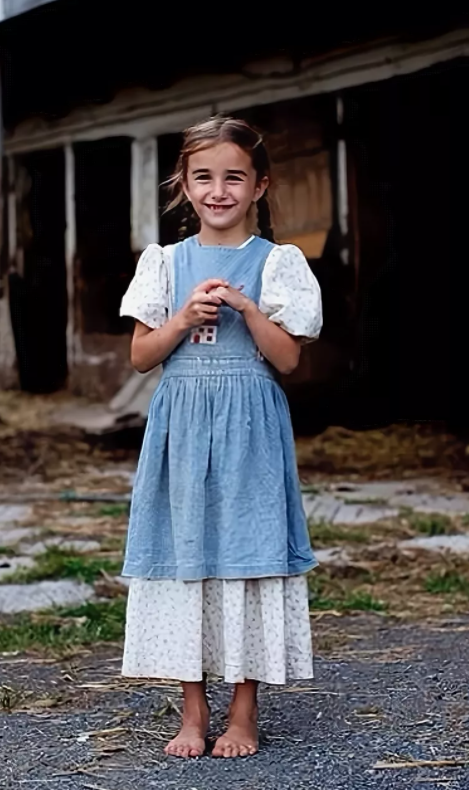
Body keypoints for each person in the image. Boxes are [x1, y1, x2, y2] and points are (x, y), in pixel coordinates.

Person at [118, 116, 322, 759]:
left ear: (260, 185)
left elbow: (288, 361)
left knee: (248, 555)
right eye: (203, 176)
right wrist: (181, 319)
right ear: (184, 183)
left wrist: (247, 307)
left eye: (235, 177)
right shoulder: (166, 262)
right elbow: (141, 357)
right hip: (181, 429)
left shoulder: (278, 263)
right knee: (187, 557)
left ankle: (243, 710)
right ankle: (191, 709)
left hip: (249, 429)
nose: (219, 190)